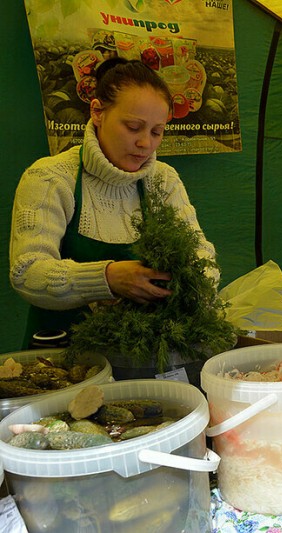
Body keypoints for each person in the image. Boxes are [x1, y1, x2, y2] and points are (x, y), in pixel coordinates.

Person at [9, 57, 216, 348]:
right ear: (97, 112)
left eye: (157, 132)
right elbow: (27, 272)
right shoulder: (49, 178)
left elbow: (200, 252)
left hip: (141, 353)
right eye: (133, 127)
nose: (146, 143)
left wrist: (199, 288)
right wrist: (106, 278)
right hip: (61, 356)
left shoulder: (164, 180)